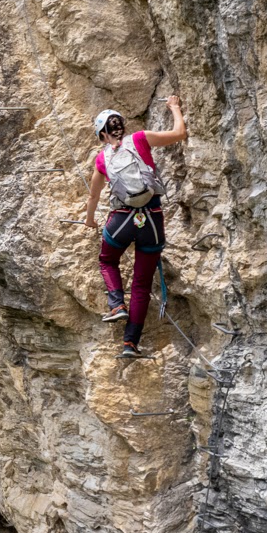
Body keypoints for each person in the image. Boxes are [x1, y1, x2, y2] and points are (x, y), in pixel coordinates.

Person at [82, 95, 186, 358]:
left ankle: (117, 305)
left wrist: (90, 219)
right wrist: (174, 107)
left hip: (122, 220)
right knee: (141, 284)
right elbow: (179, 133)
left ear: (102, 135)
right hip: (151, 218)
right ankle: (130, 344)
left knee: (107, 260)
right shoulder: (140, 139)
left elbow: (93, 196)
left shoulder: (102, 159)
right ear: (121, 126)